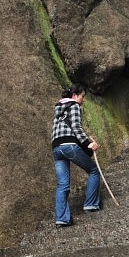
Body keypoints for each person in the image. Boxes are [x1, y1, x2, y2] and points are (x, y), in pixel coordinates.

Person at [50, 83, 101, 226]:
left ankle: (62, 218)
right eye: (82, 96)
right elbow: (76, 127)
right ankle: (90, 204)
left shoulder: (58, 110)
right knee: (94, 170)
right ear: (74, 96)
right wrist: (87, 144)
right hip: (69, 146)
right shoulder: (74, 106)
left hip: (56, 148)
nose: (83, 100)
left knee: (62, 185)